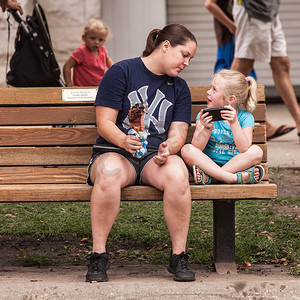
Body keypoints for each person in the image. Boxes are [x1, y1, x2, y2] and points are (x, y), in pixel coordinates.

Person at [85, 24, 197, 283]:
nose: (187, 63)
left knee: (179, 174)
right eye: (184, 55)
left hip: (152, 158)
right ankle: (98, 255)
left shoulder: (179, 88)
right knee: (110, 173)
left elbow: (179, 132)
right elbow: (104, 123)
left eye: (190, 58)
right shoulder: (122, 71)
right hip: (114, 151)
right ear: (166, 46)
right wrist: (124, 140)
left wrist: (170, 147)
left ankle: (178, 256)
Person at [230, 0, 300, 141]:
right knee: (243, 67)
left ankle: (299, 122)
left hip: (271, 10)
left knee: (282, 63)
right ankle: (219, 120)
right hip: (251, 10)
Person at [181, 69, 264, 185]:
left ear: (231, 99)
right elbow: (196, 147)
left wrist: (234, 123)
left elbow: (244, 148)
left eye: (214, 90)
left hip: (235, 166)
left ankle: (213, 177)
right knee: (187, 149)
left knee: (257, 151)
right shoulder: (204, 115)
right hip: (207, 164)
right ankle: (234, 178)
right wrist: (207, 129)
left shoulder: (245, 118)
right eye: (211, 88)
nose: (208, 92)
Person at [204, 0, 256, 79]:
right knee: (241, 70)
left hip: (233, 34)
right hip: (231, 35)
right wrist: (231, 26)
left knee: (223, 69)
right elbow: (209, 4)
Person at [63, 18, 113, 87]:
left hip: (98, 88)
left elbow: (109, 61)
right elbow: (67, 66)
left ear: (104, 40)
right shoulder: (81, 52)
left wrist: (115, 72)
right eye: (92, 38)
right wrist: (69, 85)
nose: (96, 42)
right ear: (84, 38)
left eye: (100, 40)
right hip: (83, 91)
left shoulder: (102, 50)